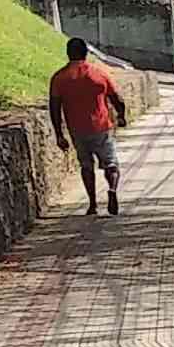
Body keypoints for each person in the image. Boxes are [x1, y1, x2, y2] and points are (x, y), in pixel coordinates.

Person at [47, 37, 125, 215]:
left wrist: (59, 134)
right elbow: (117, 99)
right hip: (101, 127)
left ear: (68, 53)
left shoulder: (59, 78)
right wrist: (121, 116)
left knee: (86, 165)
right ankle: (112, 189)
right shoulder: (99, 74)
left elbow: (54, 107)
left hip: (77, 129)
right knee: (111, 163)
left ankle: (92, 204)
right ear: (86, 54)